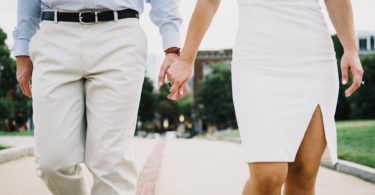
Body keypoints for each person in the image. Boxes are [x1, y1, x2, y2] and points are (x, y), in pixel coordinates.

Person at [160, 0, 364, 194]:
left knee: (304, 173)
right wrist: (187, 59)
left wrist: (351, 49)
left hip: (314, 58)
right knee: (268, 174)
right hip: (257, 62)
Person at [14, 0, 183, 194]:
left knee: (111, 162)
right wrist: (22, 48)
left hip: (119, 34)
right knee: (51, 162)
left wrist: (172, 45)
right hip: (54, 33)